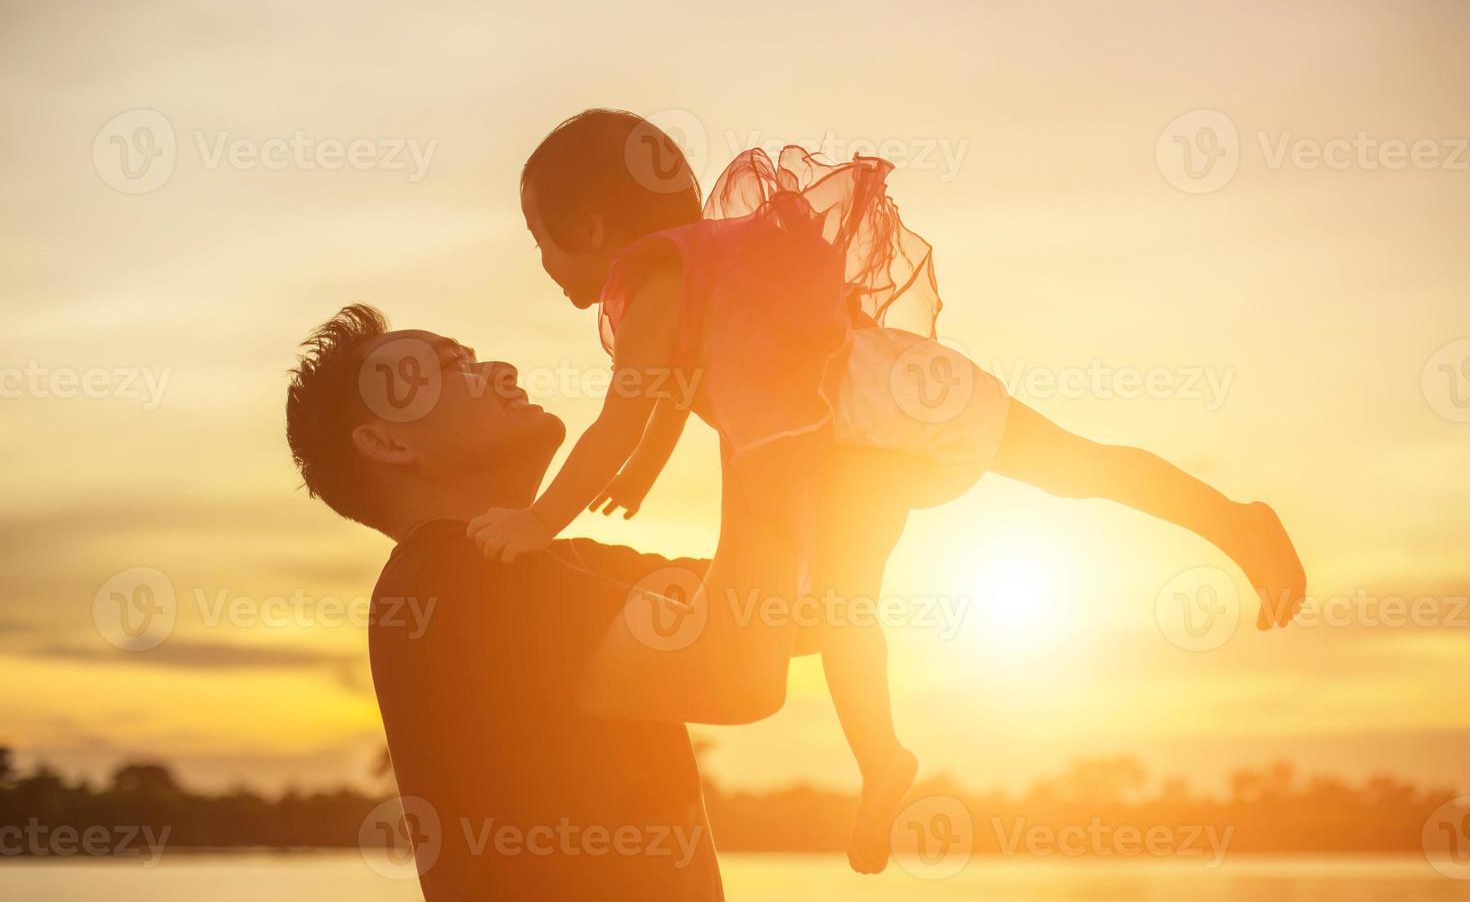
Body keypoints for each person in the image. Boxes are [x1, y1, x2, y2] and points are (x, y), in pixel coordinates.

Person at [467, 109, 1310, 872]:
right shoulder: (704, 263)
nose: (542, 259)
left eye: (540, 238)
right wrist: (645, 471)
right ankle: (1231, 521)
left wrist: (541, 519)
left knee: (845, 601)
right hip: (902, 396)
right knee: (1071, 471)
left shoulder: (652, 281)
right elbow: (663, 404)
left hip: (848, 435)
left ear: (587, 226)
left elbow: (622, 416)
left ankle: (881, 760)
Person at [284, 304, 825, 900]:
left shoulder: (563, 567)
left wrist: (823, 406)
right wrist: (764, 418)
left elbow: (815, 607)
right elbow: (740, 672)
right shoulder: (452, 579)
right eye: (450, 366)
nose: (503, 369)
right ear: (387, 442)